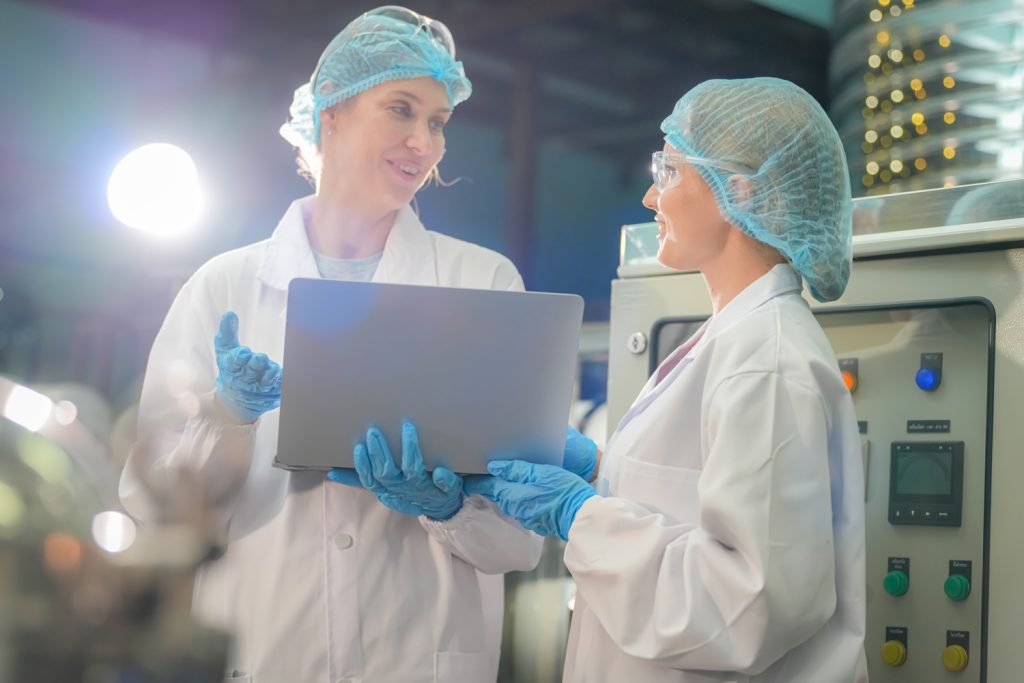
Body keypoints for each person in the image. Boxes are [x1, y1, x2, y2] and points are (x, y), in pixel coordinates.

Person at [119, 7, 542, 682]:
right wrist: (224, 416)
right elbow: (149, 506)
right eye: (401, 109)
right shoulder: (224, 286)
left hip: (422, 659)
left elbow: (521, 537)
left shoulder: (483, 282)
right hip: (265, 654)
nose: (423, 142)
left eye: (437, 122)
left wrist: (451, 506)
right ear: (331, 114)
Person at [463, 77, 868, 682]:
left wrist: (578, 516)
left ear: (742, 190)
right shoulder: (731, 338)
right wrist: (600, 471)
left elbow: (746, 606)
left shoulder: (767, 360)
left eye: (671, 171)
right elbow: (695, 506)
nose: (653, 197)